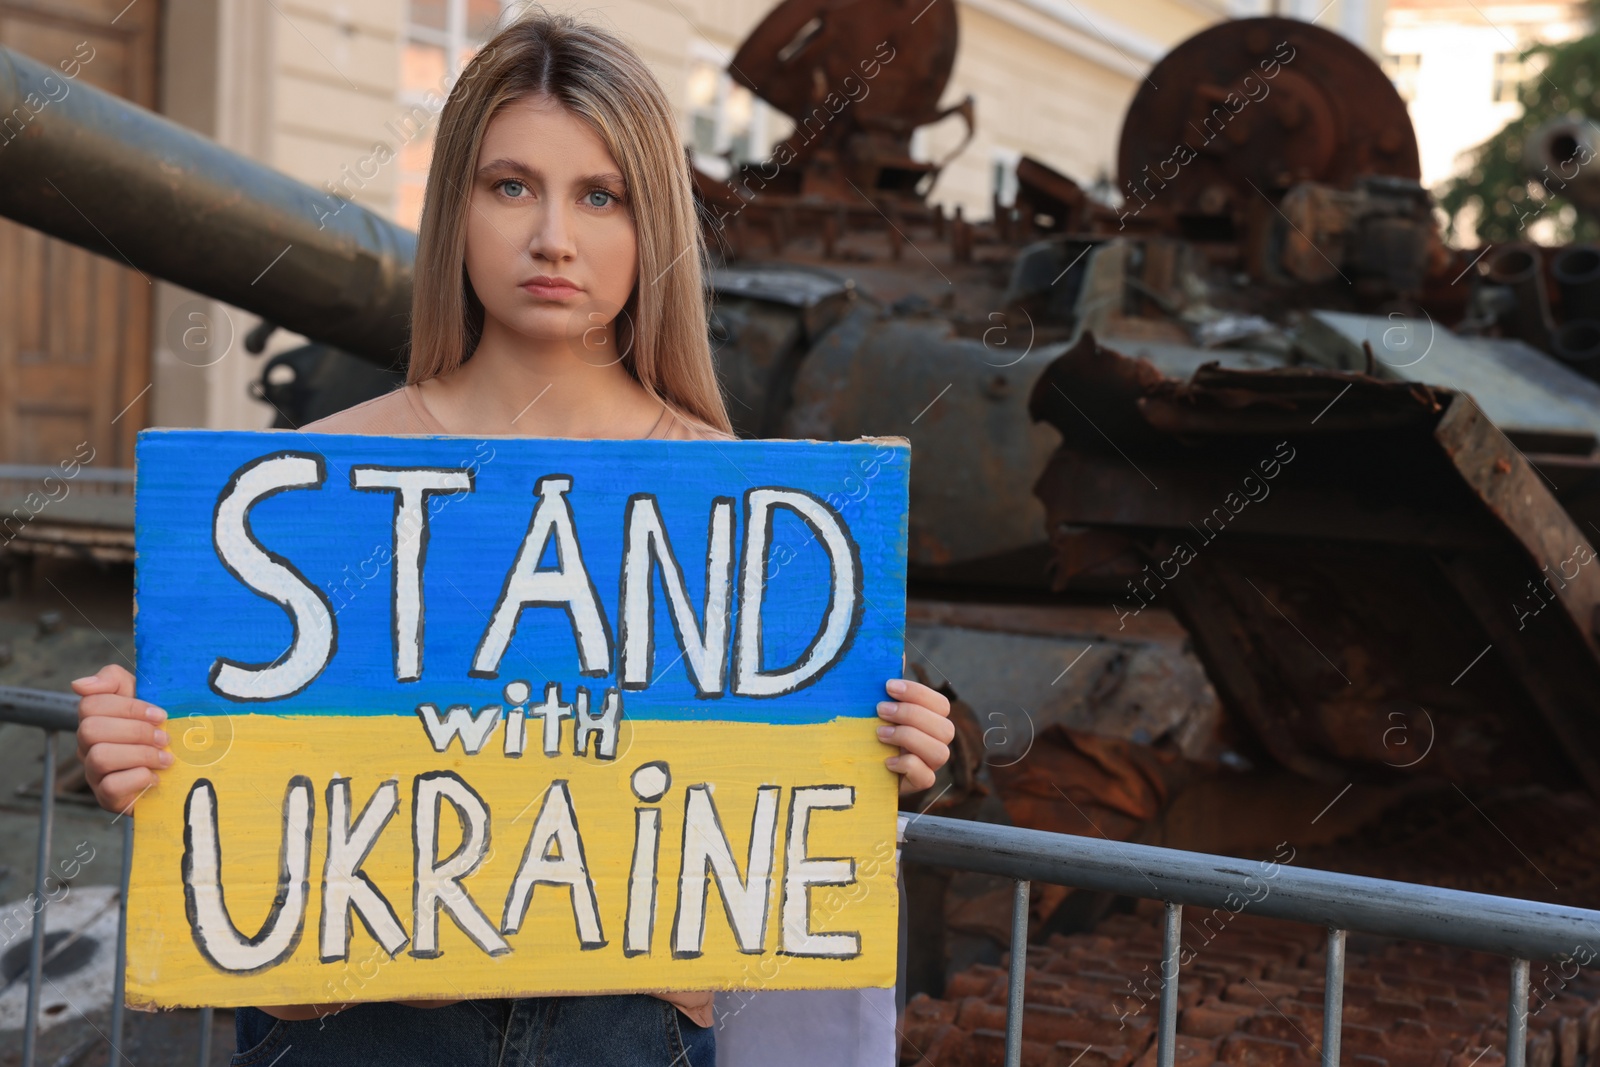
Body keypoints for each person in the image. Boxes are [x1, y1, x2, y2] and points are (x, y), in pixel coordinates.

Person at [71, 11, 953, 1067]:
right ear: (456, 208)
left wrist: (902, 750)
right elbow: (236, 781)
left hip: (625, 1028)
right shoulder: (306, 482)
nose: (553, 238)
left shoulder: (749, 505)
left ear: (650, 224)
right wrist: (134, 756)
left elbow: (791, 803)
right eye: (510, 186)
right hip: (347, 1028)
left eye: (600, 194)